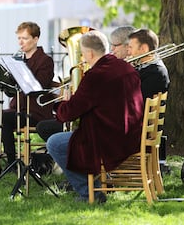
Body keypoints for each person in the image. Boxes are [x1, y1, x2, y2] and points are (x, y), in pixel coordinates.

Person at [46, 30, 144, 202]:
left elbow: (69, 113)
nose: (82, 58)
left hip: (110, 139)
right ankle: (94, 185)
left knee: (54, 143)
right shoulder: (126, 67)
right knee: (71, 138)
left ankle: (90, 192)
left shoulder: (96, 75)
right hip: (132, 134)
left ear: (90, 53)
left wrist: (60, 105)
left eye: (82, 54)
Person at [0, 22, 55, 170]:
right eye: (19, 38)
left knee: (4, 118)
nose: (21, 42)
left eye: (25, 38)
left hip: (35, 111)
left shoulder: (45, 60)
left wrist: (21, 73)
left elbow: (40, 86)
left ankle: (12, 163)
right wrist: (4, 78)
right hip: (17, 108)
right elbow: (11, 91)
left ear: (35, 39)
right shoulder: (18, 60)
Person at [127, 28, 170, 101]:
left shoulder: (156, 72)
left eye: (131, 47)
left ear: (143, 48)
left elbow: (135, 99)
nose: (129, 52)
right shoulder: (144, 66)